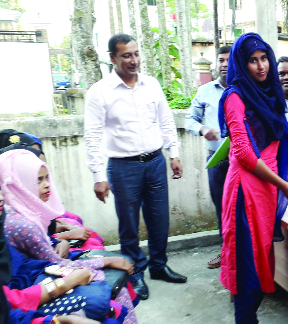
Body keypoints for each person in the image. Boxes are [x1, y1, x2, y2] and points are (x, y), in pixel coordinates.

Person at [217, 33, 288, 324]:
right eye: (252, 60)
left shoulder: (269, 95)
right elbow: (245, 153)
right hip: (246, 191)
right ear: (241, 63)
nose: (261, 66)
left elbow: (277, 143)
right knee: (247, 270)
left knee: (261, 263)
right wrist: (286, 184)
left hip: (266, 189)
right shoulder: (234, 96)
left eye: (264, 59)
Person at [84, 33, 187, 300]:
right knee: (128, 225)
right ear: (113, 58)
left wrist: (173, 154)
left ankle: (159, 266)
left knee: (159, 219)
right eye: (126, 56)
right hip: (122, 168)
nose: (134, 61)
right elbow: (93, 136)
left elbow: (165, 121)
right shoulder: (99, 92)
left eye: (136, 54)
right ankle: (135, 273)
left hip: (154, 162)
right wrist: (98, 175)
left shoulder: (151, 84)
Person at [0, 149, 138, 323]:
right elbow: (54, 264)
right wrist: (106, 262)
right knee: (109, 296)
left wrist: (62, 242)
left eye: (46, 177)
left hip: (35, 279)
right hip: (31, 289)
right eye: (38, 180)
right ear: (18, 184)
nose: (47, 185)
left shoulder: (23, 212)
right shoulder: (22, 224)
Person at [185, 45, 232, 269]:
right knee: (221, 208)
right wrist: (203, 130)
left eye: (229, 60)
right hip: (217, 159)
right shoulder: (205, 91)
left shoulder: (246, 90)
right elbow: (189, 120)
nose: (224, 64)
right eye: (220, 60)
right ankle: (226, 254)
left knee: (243, 207)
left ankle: (243, 254)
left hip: (245, 160)